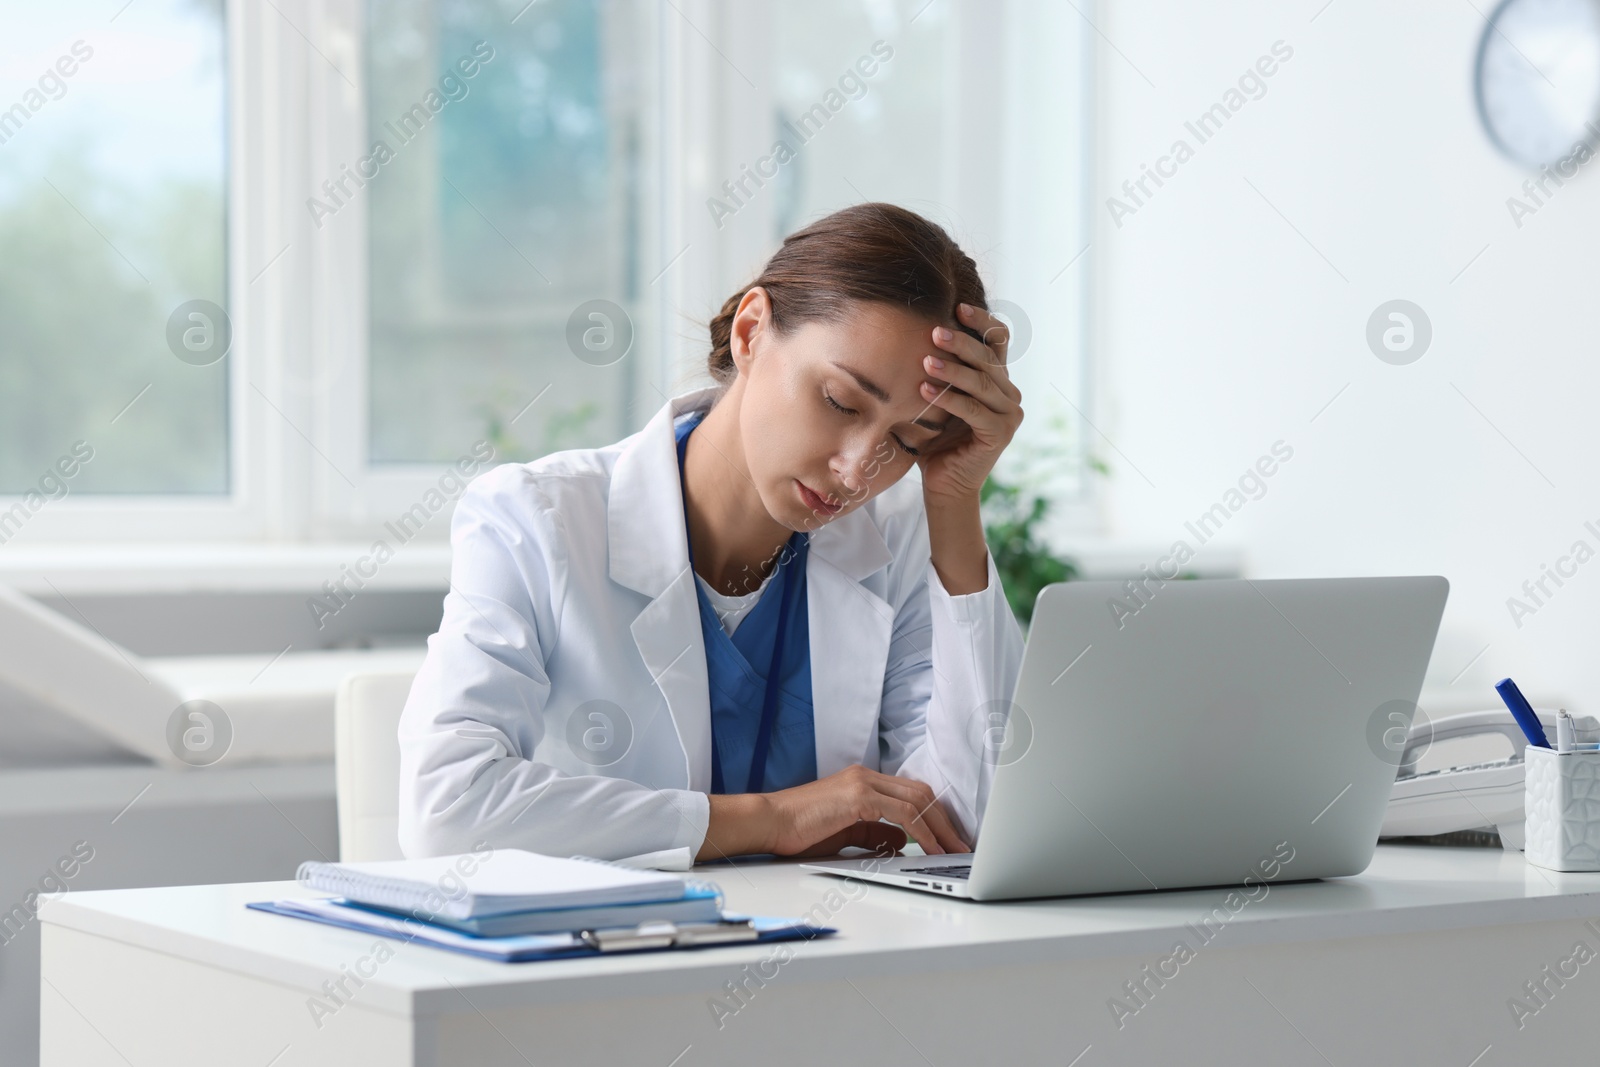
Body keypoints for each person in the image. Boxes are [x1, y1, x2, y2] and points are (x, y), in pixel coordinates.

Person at [398, 202, 1026, 868]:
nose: (857, 469)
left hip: (831, 962)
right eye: (841, 401)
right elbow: (448, 811)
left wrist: (955, 500)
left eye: (904, 439)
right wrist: (772, 818)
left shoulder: (893, 546)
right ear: (752, 332)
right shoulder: (535, 522)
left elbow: (970, 825)